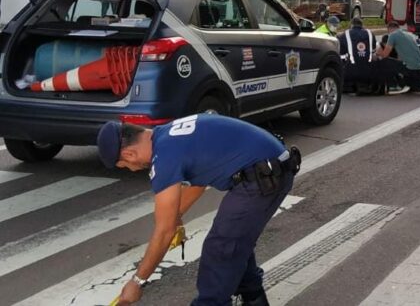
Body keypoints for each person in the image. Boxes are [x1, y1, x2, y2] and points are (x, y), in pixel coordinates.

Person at [96, 113, 301, 306]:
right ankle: (254, 299)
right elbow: (198, 183)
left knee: (220, 249)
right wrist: (177, 217)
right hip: (272, 167)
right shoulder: (166, 135)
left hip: (264, 177)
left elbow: (164, 231)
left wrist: (137, 281)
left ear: (129, 154)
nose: (130, 169)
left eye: (124, 165)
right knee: (233, 242)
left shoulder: (163, 158)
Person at [338, 17, 406, 94]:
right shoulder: (370, 34)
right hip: (368, 73)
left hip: (349, 73)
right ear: (362, 25)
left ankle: (349, 85)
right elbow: (376, 52)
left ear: (351, 25)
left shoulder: (344, 35)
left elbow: (341, 56)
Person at [377, 21, 420, 94]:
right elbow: (400, 58)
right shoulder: (409, 35)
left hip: (411, 70)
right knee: (414, 87)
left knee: (384, 61)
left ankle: (393, 86)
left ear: (389, 29)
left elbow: (385, 55)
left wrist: (378, 51)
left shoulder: (393, 35)